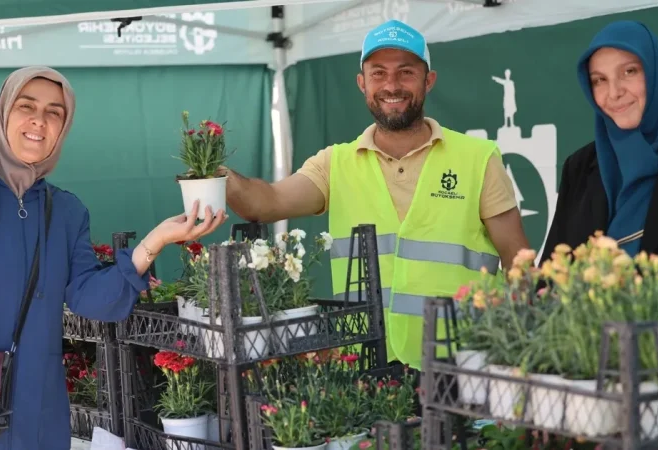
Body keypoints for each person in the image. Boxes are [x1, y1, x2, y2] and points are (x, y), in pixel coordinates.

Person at [223, 19, 529, 370]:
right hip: (364, 367)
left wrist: (509, 350)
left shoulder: (478, 158)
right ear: (362, 83)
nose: (392, 85)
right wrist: (216, 177)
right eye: (378, 73)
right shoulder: (334, 163)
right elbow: (265, 203)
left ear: (428, 81)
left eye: (406, 72)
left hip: (460, 366)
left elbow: (519, 262)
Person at [0, 66, 227, 448]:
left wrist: (156, 240)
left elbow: (90, 298)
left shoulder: (65, 211)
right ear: (3, 113)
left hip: (42, 412)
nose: (39, 120)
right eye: (26, 106)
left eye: (55, 112)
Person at [540, 20, 658, 449]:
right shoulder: (580, 167)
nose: (614, 92)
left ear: (656, 73)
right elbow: (554, 270)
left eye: (630, 72)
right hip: (592, 400)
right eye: (599, 80)